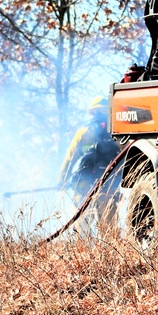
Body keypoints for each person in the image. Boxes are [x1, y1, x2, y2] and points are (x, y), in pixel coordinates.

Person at [58, 97, 120, 232]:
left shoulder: (84, 132)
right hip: (108, 186)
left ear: (92, 113)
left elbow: (69, 160)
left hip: (84, 185)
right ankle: (110, 252)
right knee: (110, 231)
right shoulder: (117, 134)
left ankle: (81, 252)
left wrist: (62, 180)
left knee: (81, 228)